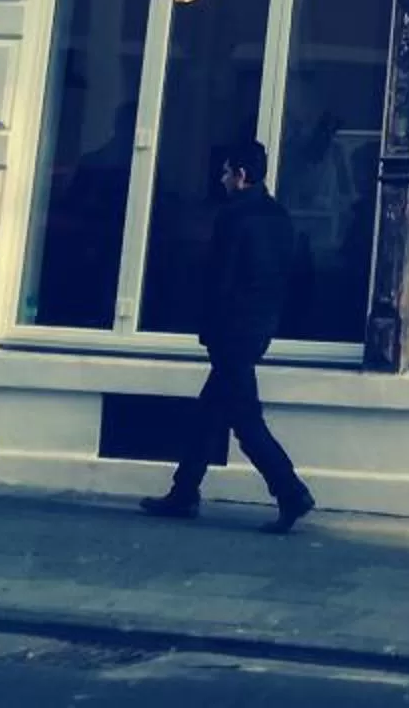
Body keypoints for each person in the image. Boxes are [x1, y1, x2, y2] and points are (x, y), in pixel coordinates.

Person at [139, 142, 315, 533]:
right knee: (208, 415)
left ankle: (290, 491)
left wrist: (208, 327)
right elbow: (293, 275)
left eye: (225, 172)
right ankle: (183, 492)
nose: (220, 179)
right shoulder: (279, 216)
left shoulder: (234, 217)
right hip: (259, 328)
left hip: (230, 331)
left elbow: (220, 279)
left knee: (245, 419)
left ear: (240, 175)